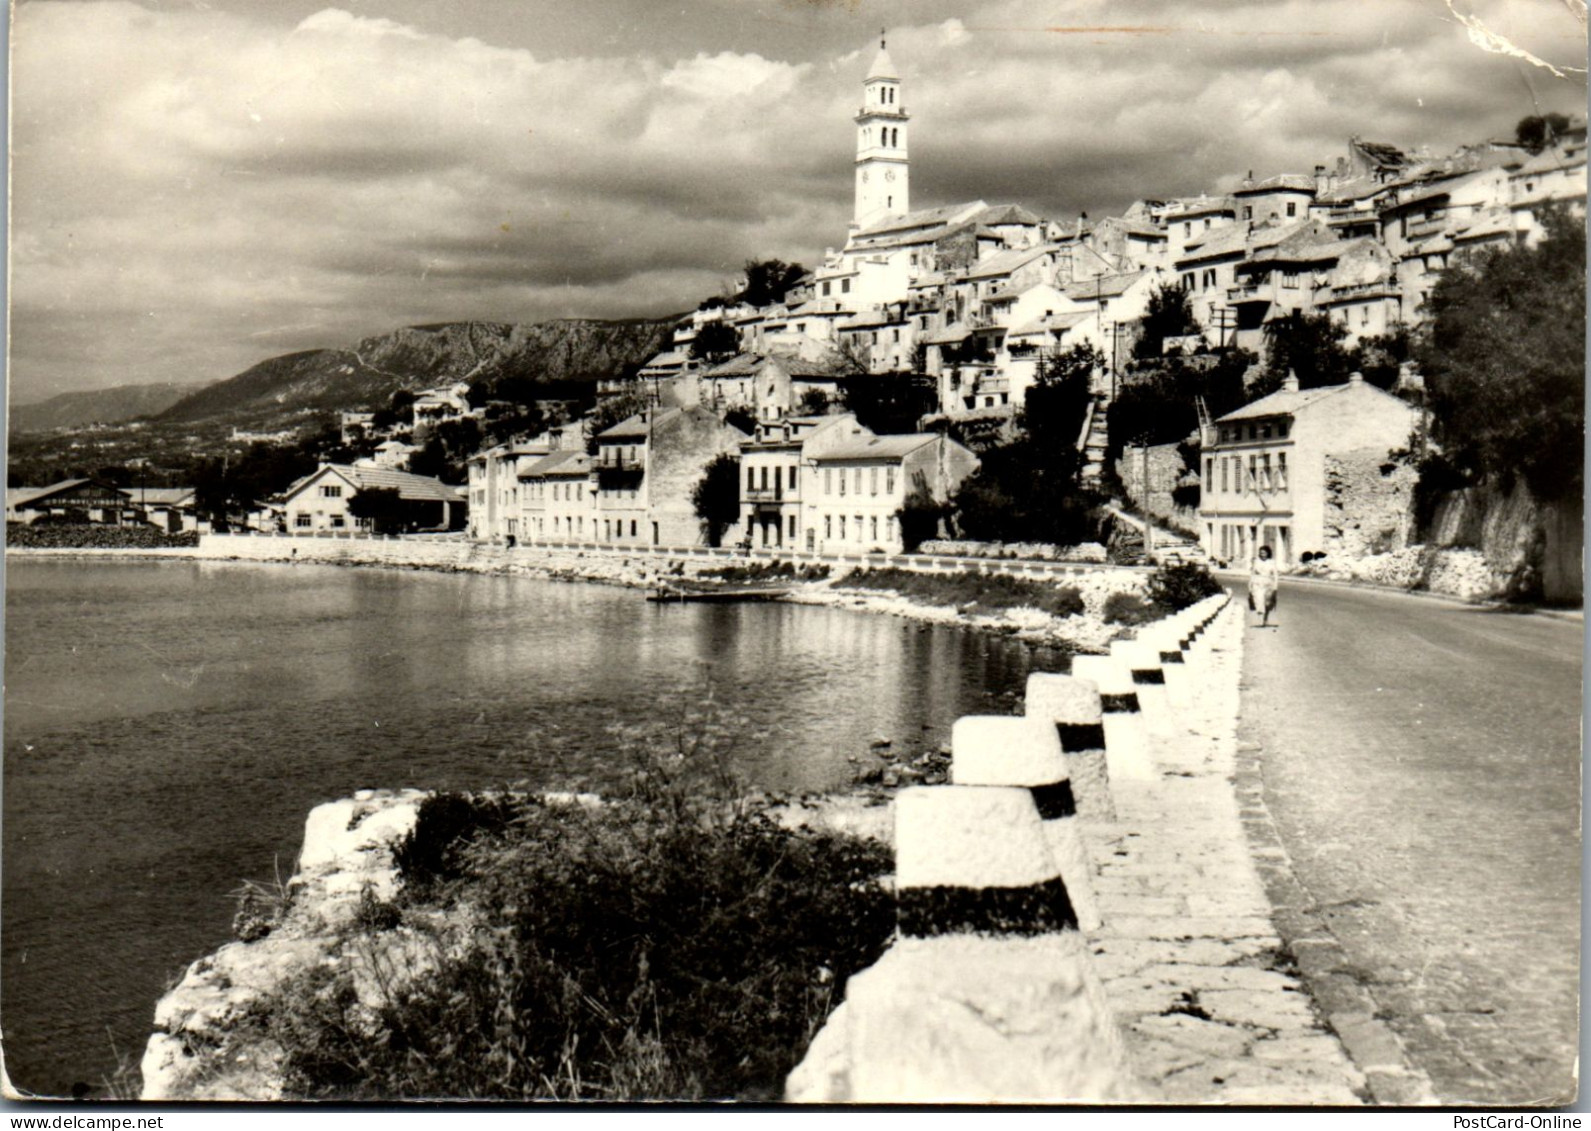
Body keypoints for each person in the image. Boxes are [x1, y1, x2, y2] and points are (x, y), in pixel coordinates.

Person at [1249, 544, 1280, 627]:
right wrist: (1250, 585)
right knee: (1259, 599)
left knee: (1267, 603)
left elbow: (1275, 575)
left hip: (1268, 583)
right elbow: (1252, 574)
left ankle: (1265, 618)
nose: (1262, 555)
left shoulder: (1272, 562)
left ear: (1268, 553)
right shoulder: (1256, 562)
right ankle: (1260, 613)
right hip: (1257, 583)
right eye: (1261, 553)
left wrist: (1275, 586)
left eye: (1264, 553)